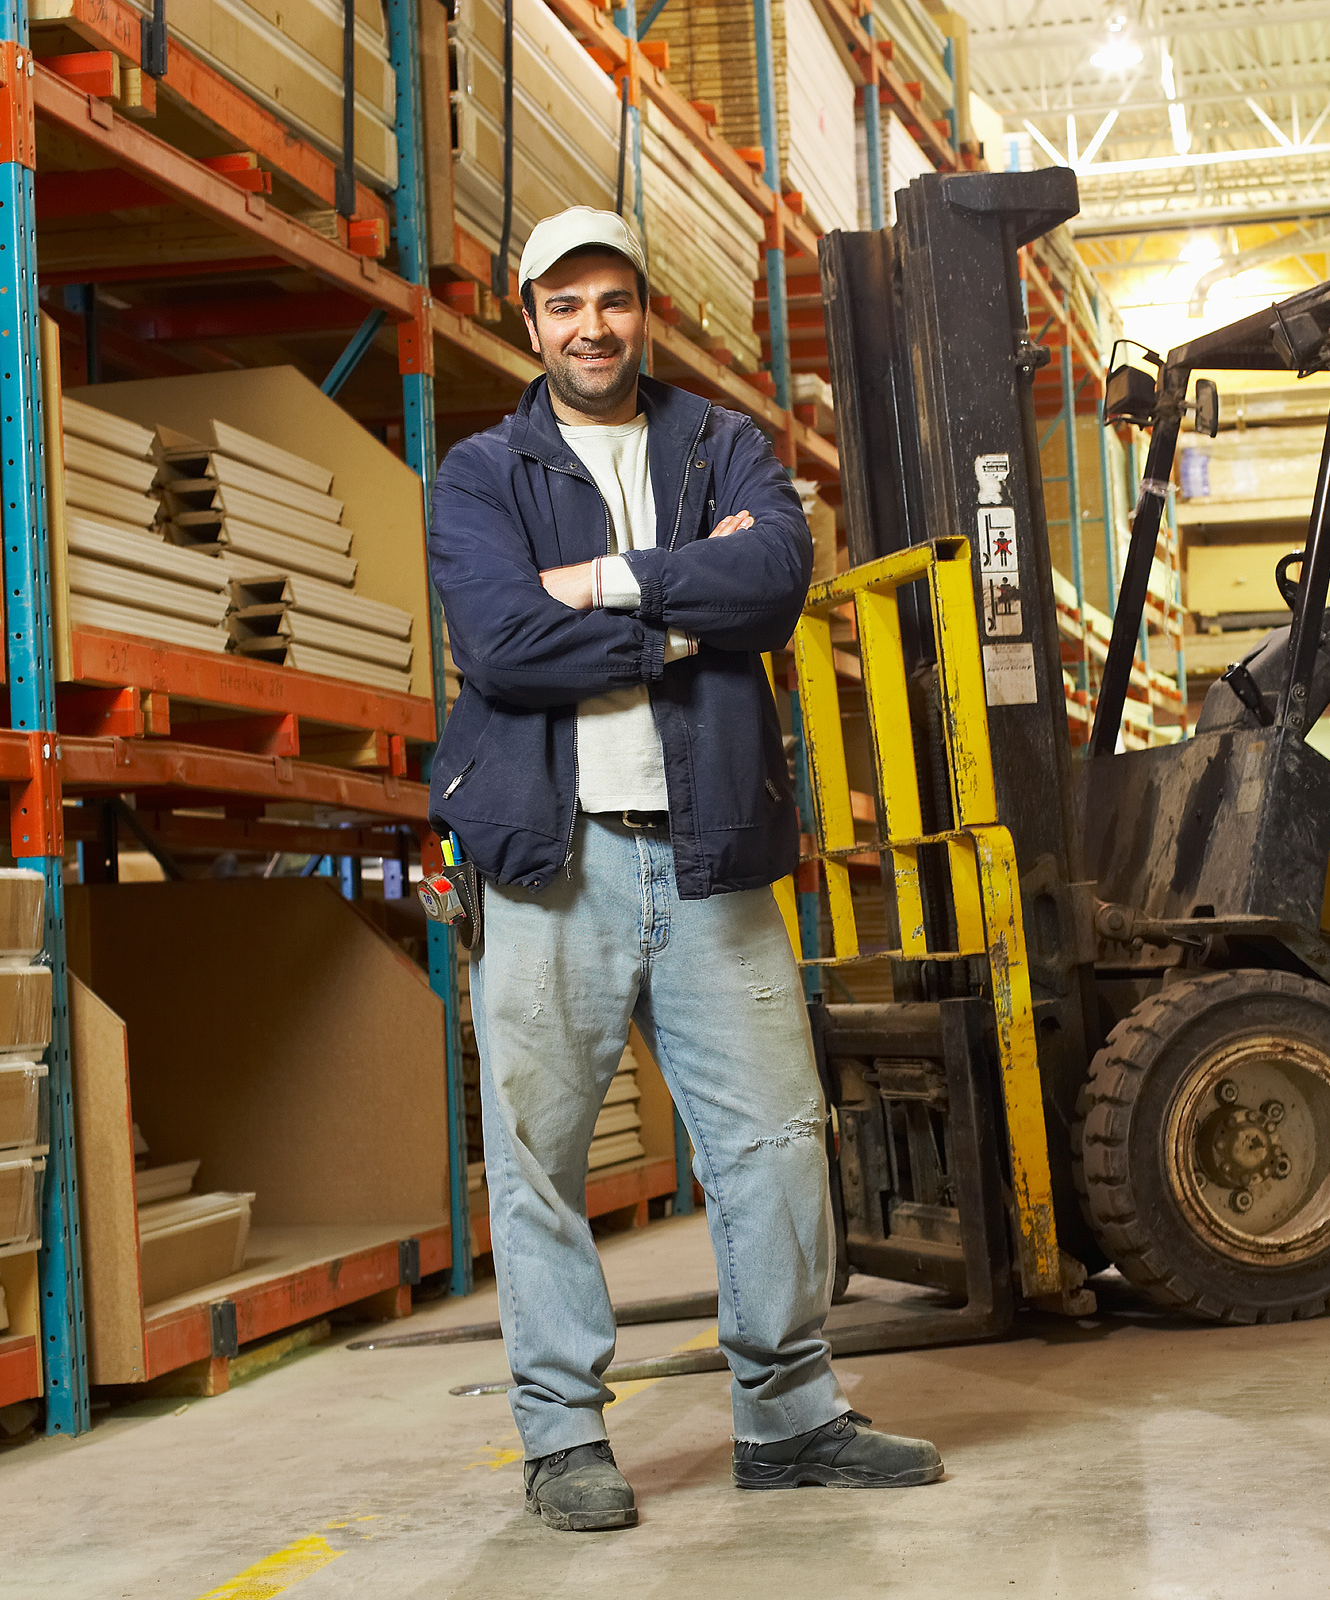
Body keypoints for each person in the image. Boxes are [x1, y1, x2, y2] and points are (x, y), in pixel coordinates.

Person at [426, 208, 942, 1532]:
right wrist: (671, 627)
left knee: (773, 1141)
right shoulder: (482, 473)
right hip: (555, 865)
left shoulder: (721, 444)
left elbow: (771, 582)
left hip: (709, 855)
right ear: (526, 317)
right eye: (562, 305)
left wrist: (600, 581)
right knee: (538, 1157)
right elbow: (499, 645)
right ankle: (561, 1439)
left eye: (612, 300)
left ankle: (789, 1415)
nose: (589, 327)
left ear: (642, 308)